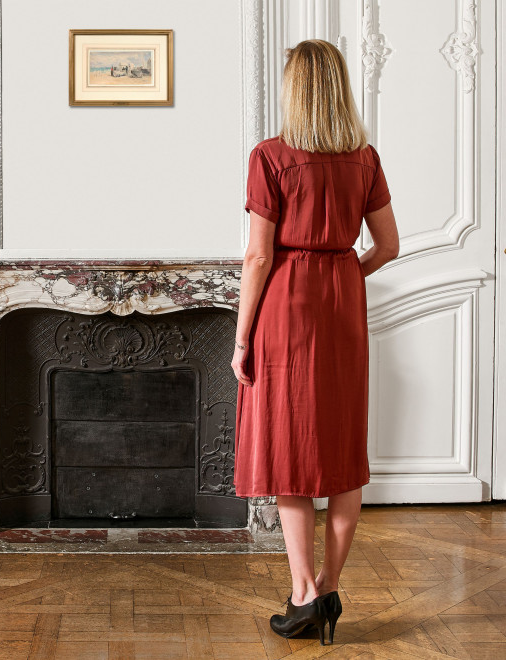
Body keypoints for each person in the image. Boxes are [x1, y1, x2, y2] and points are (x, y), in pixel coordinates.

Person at [231, 39, 400, 646]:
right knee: (341, 449)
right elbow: (387, 245)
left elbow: (257, 255)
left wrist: (242, 335)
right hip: (342, 305)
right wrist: (345, 272)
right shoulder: (364, 158)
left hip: (286, 306)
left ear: (292, 90)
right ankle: (328, 584)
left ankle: (303, 593)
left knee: (292, 451)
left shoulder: (271, 157)